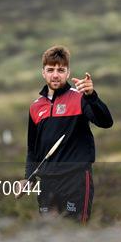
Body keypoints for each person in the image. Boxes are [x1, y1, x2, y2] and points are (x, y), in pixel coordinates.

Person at [20, 45, 113, 223]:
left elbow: (106, 122)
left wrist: (92, 96)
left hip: (75, 179)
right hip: (46, 182)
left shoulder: (80, 98)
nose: (55, 74)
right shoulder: (35, 107)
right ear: (43, 73)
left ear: (68, 73)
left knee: (76, 233)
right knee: (49, 235)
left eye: (60, 70)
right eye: (51, 70)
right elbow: (33, 150)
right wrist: (28, 178)